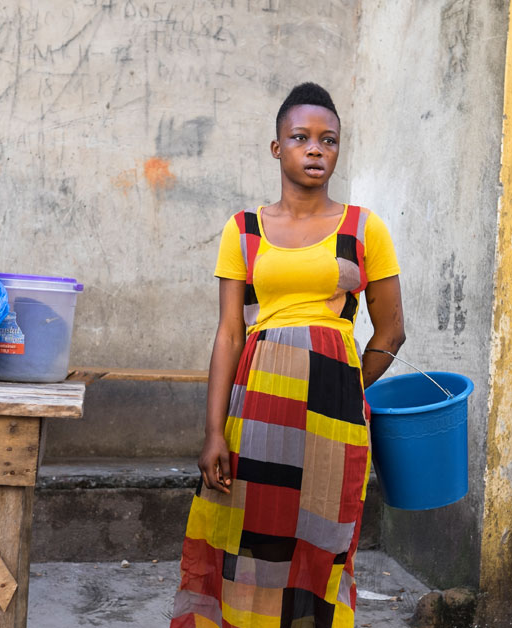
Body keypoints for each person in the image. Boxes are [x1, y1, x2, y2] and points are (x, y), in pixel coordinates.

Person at [170, 82, 406, 628]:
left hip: (334, 418)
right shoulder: (244, 230)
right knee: (252, 537)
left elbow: (390, 331)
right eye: (300, 138)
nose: (316, 149)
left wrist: (345, 387)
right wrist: (213, 432)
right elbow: (229, 333)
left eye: (329, 140)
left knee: (322, 545)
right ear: (277, 148)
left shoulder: (365, 229)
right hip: (256, 410)